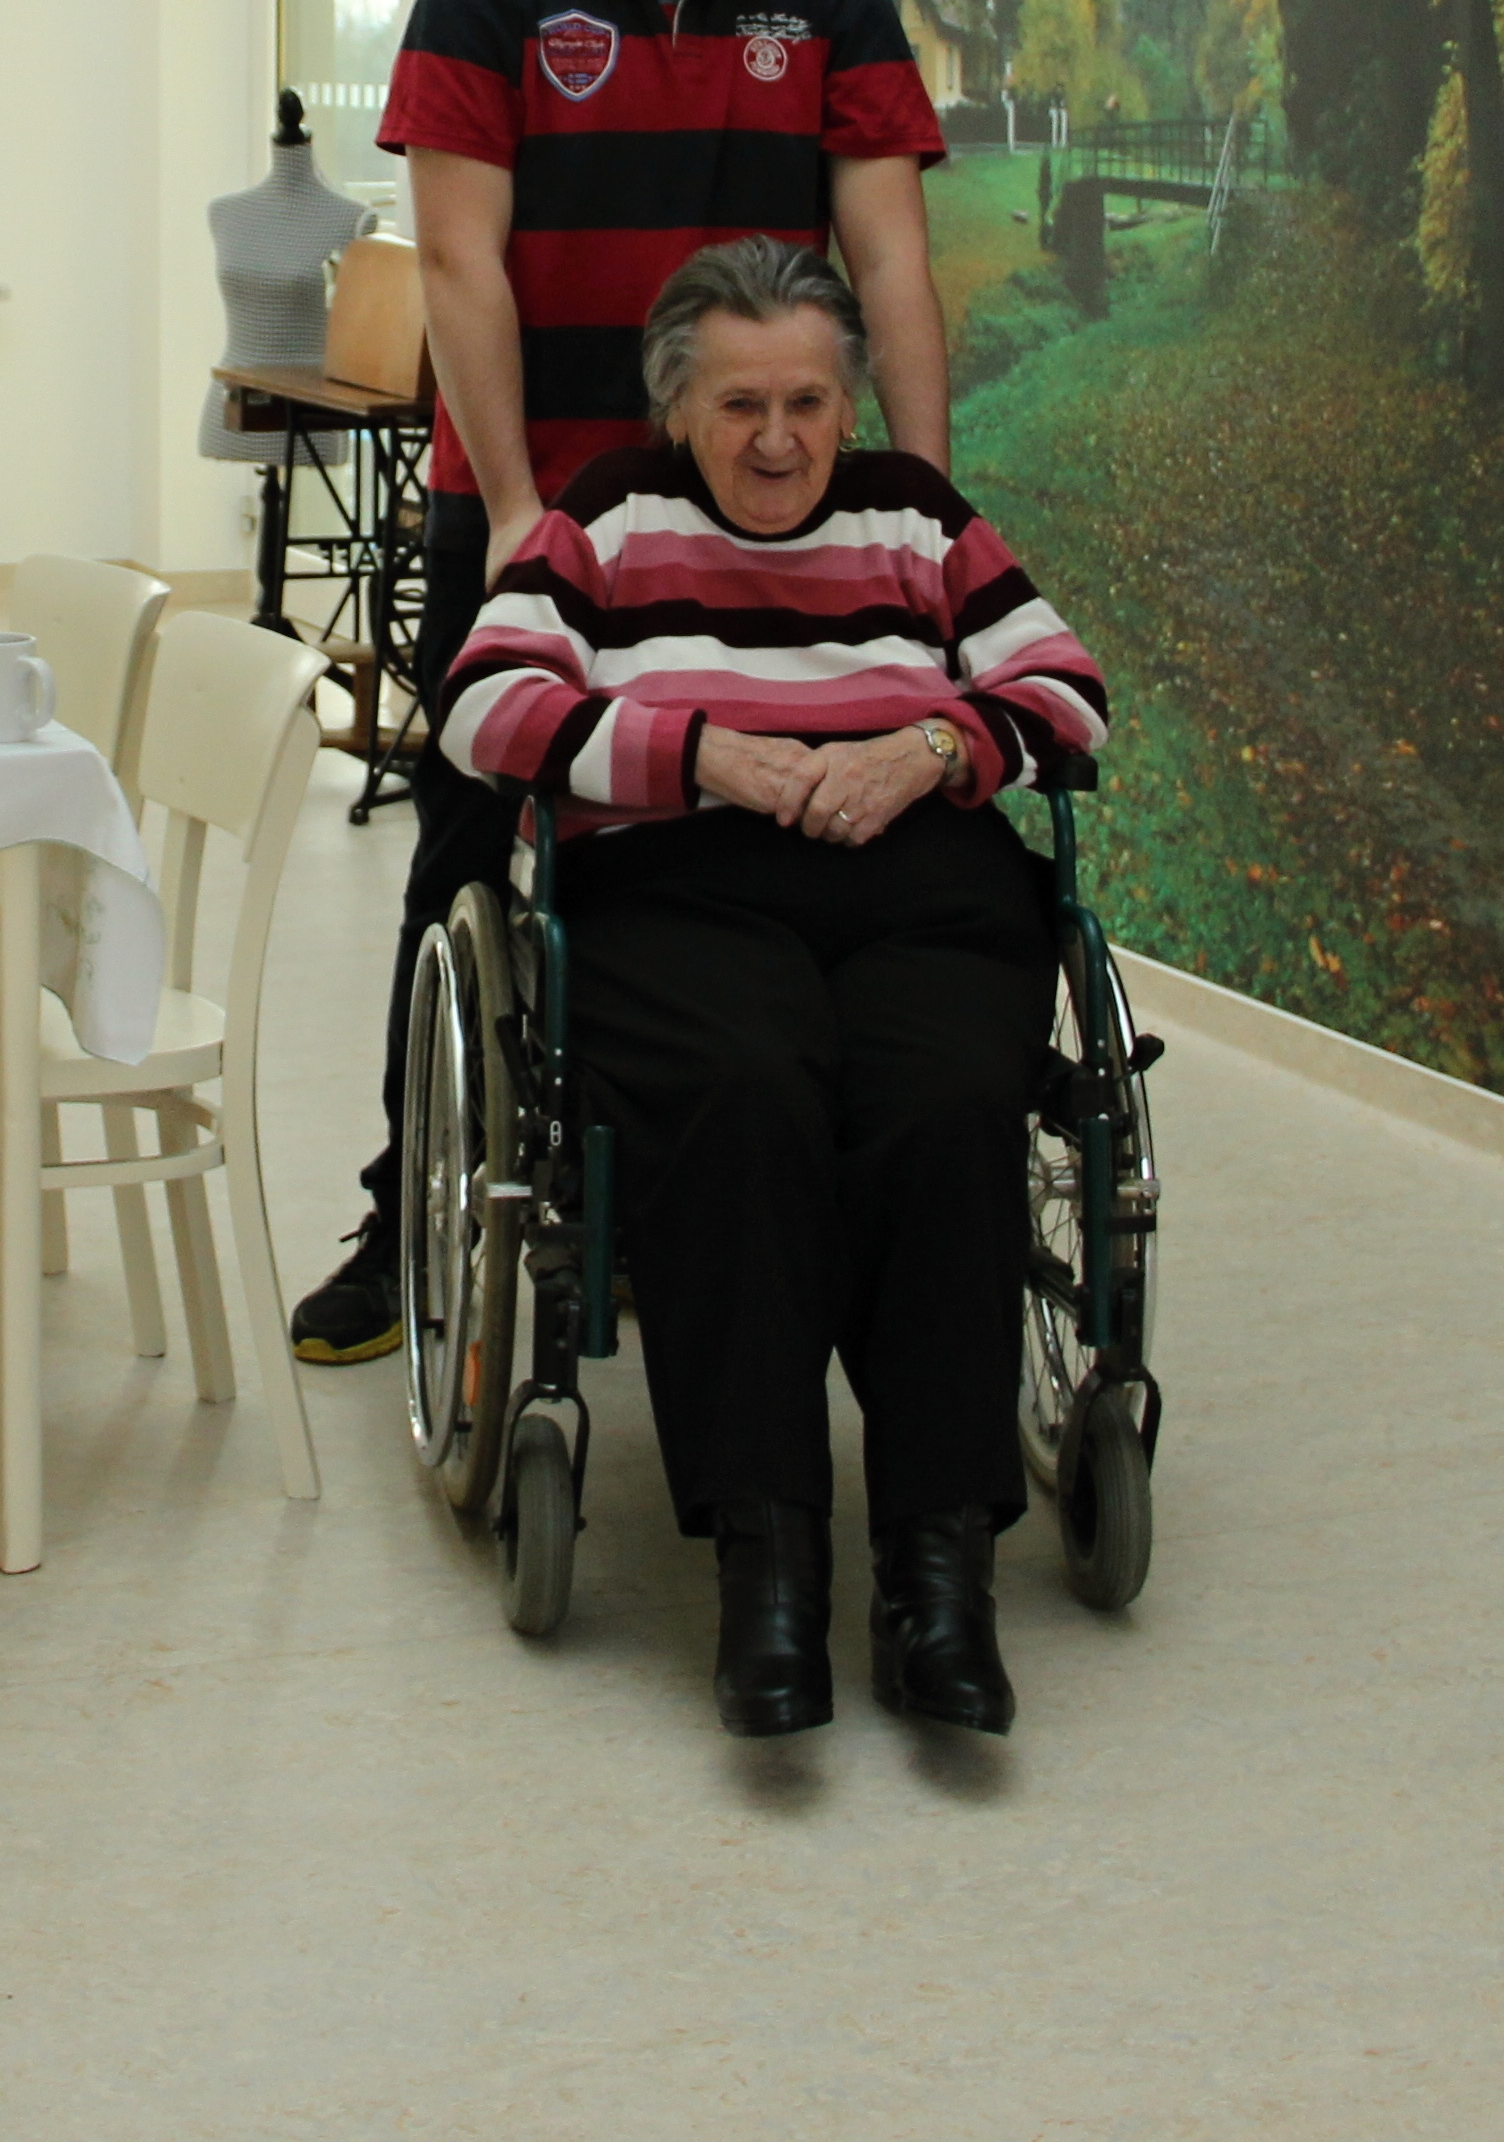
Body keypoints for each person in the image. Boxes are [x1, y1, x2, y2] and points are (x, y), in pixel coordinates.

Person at [285, 0, 953, 1368]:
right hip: (539, 522)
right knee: (465, 858)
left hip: (766, 523)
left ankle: (707, 1188)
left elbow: (889, 257)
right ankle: (407, 1209)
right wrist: (517, 502)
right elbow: (461, 263)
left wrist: (928, 506)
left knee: (732, 852)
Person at [440, 239, 1111, 1737]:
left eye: (808, 402)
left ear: (847, 402)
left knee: (947, 1103)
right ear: (679, 408)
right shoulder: (611, 515)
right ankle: (771, 1564)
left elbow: (1067, 692)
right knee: (742, 1098)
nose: (777, 440)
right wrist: (702, 756)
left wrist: (931, 749)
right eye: (740, 404)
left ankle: (940, 1569)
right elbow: (482, 705)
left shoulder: (916, 514)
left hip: (916, 876)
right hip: (682, 880)